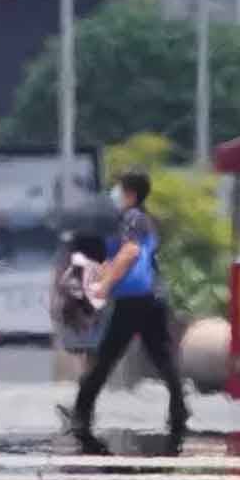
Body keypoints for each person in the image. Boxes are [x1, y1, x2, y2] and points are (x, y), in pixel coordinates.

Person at [65, 170, 189, 436]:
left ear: (130, 194)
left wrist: (105, 285)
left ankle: (80, 414)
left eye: (118, 190)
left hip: (135, 299)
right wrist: (101, 274)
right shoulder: (144, 219)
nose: (115, 195)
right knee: (161, 356)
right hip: (151, 296)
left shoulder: (132, 218)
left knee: (105, 356)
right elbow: (128, 257)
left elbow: (131, 253)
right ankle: (179, 411)